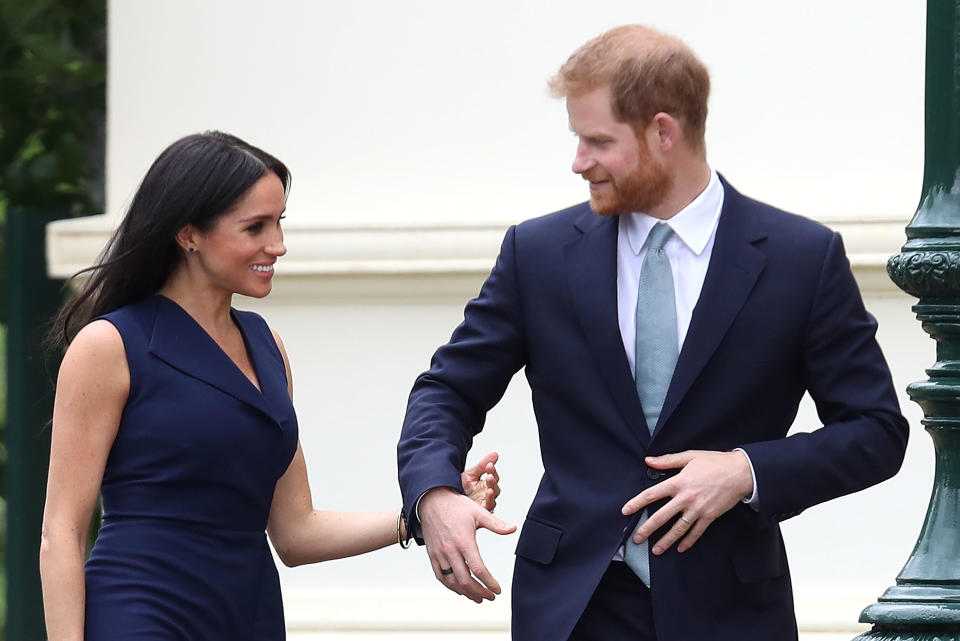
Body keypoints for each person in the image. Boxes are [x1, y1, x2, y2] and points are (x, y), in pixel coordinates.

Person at [397, 24, 909, 640]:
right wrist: (433, 494)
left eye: (596, 141)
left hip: (731, 612)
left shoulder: (803, 259)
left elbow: (877, 431)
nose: (578, 161)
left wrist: (746, 471)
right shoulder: (538, 252)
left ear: (663, 132)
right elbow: (447, 389)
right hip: (571, 610)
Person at [38, 131, 508, 641]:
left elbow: (295, 531)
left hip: (249, 615)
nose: (277, 245)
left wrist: (423, 512)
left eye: (279, 222)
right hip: (143, 615)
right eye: (255, 227)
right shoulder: (109, 346)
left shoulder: (267, 346)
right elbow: (60, 532)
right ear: (188, 233)